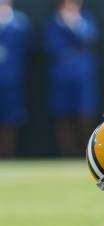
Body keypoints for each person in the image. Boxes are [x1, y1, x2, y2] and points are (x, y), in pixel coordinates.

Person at [44, 0, 98, 157]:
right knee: (62, 115)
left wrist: (73, 24)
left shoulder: (86, 19)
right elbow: (50, 46)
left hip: (82, 77)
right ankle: (68, 153)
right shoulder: (53, 22)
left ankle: (88, 152)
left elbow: (88, 37)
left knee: (84, 113)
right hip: (60, 78)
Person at [0, 0, 30, 157]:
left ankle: (8, 154)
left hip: (12, 80)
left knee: (11, 119)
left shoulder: (19, 23)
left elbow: (25, 50)